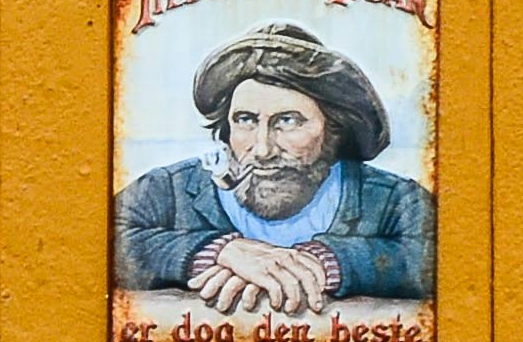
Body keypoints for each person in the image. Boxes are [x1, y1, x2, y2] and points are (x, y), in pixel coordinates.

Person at [115, 21, 434, 314]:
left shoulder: (395, 200)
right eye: (245, 120)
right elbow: (105, 236)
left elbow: (438, 254)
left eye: (288, 121)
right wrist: (217, 252)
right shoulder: (169, 190)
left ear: (333, 131)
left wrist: (323, 263)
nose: (263, 149)